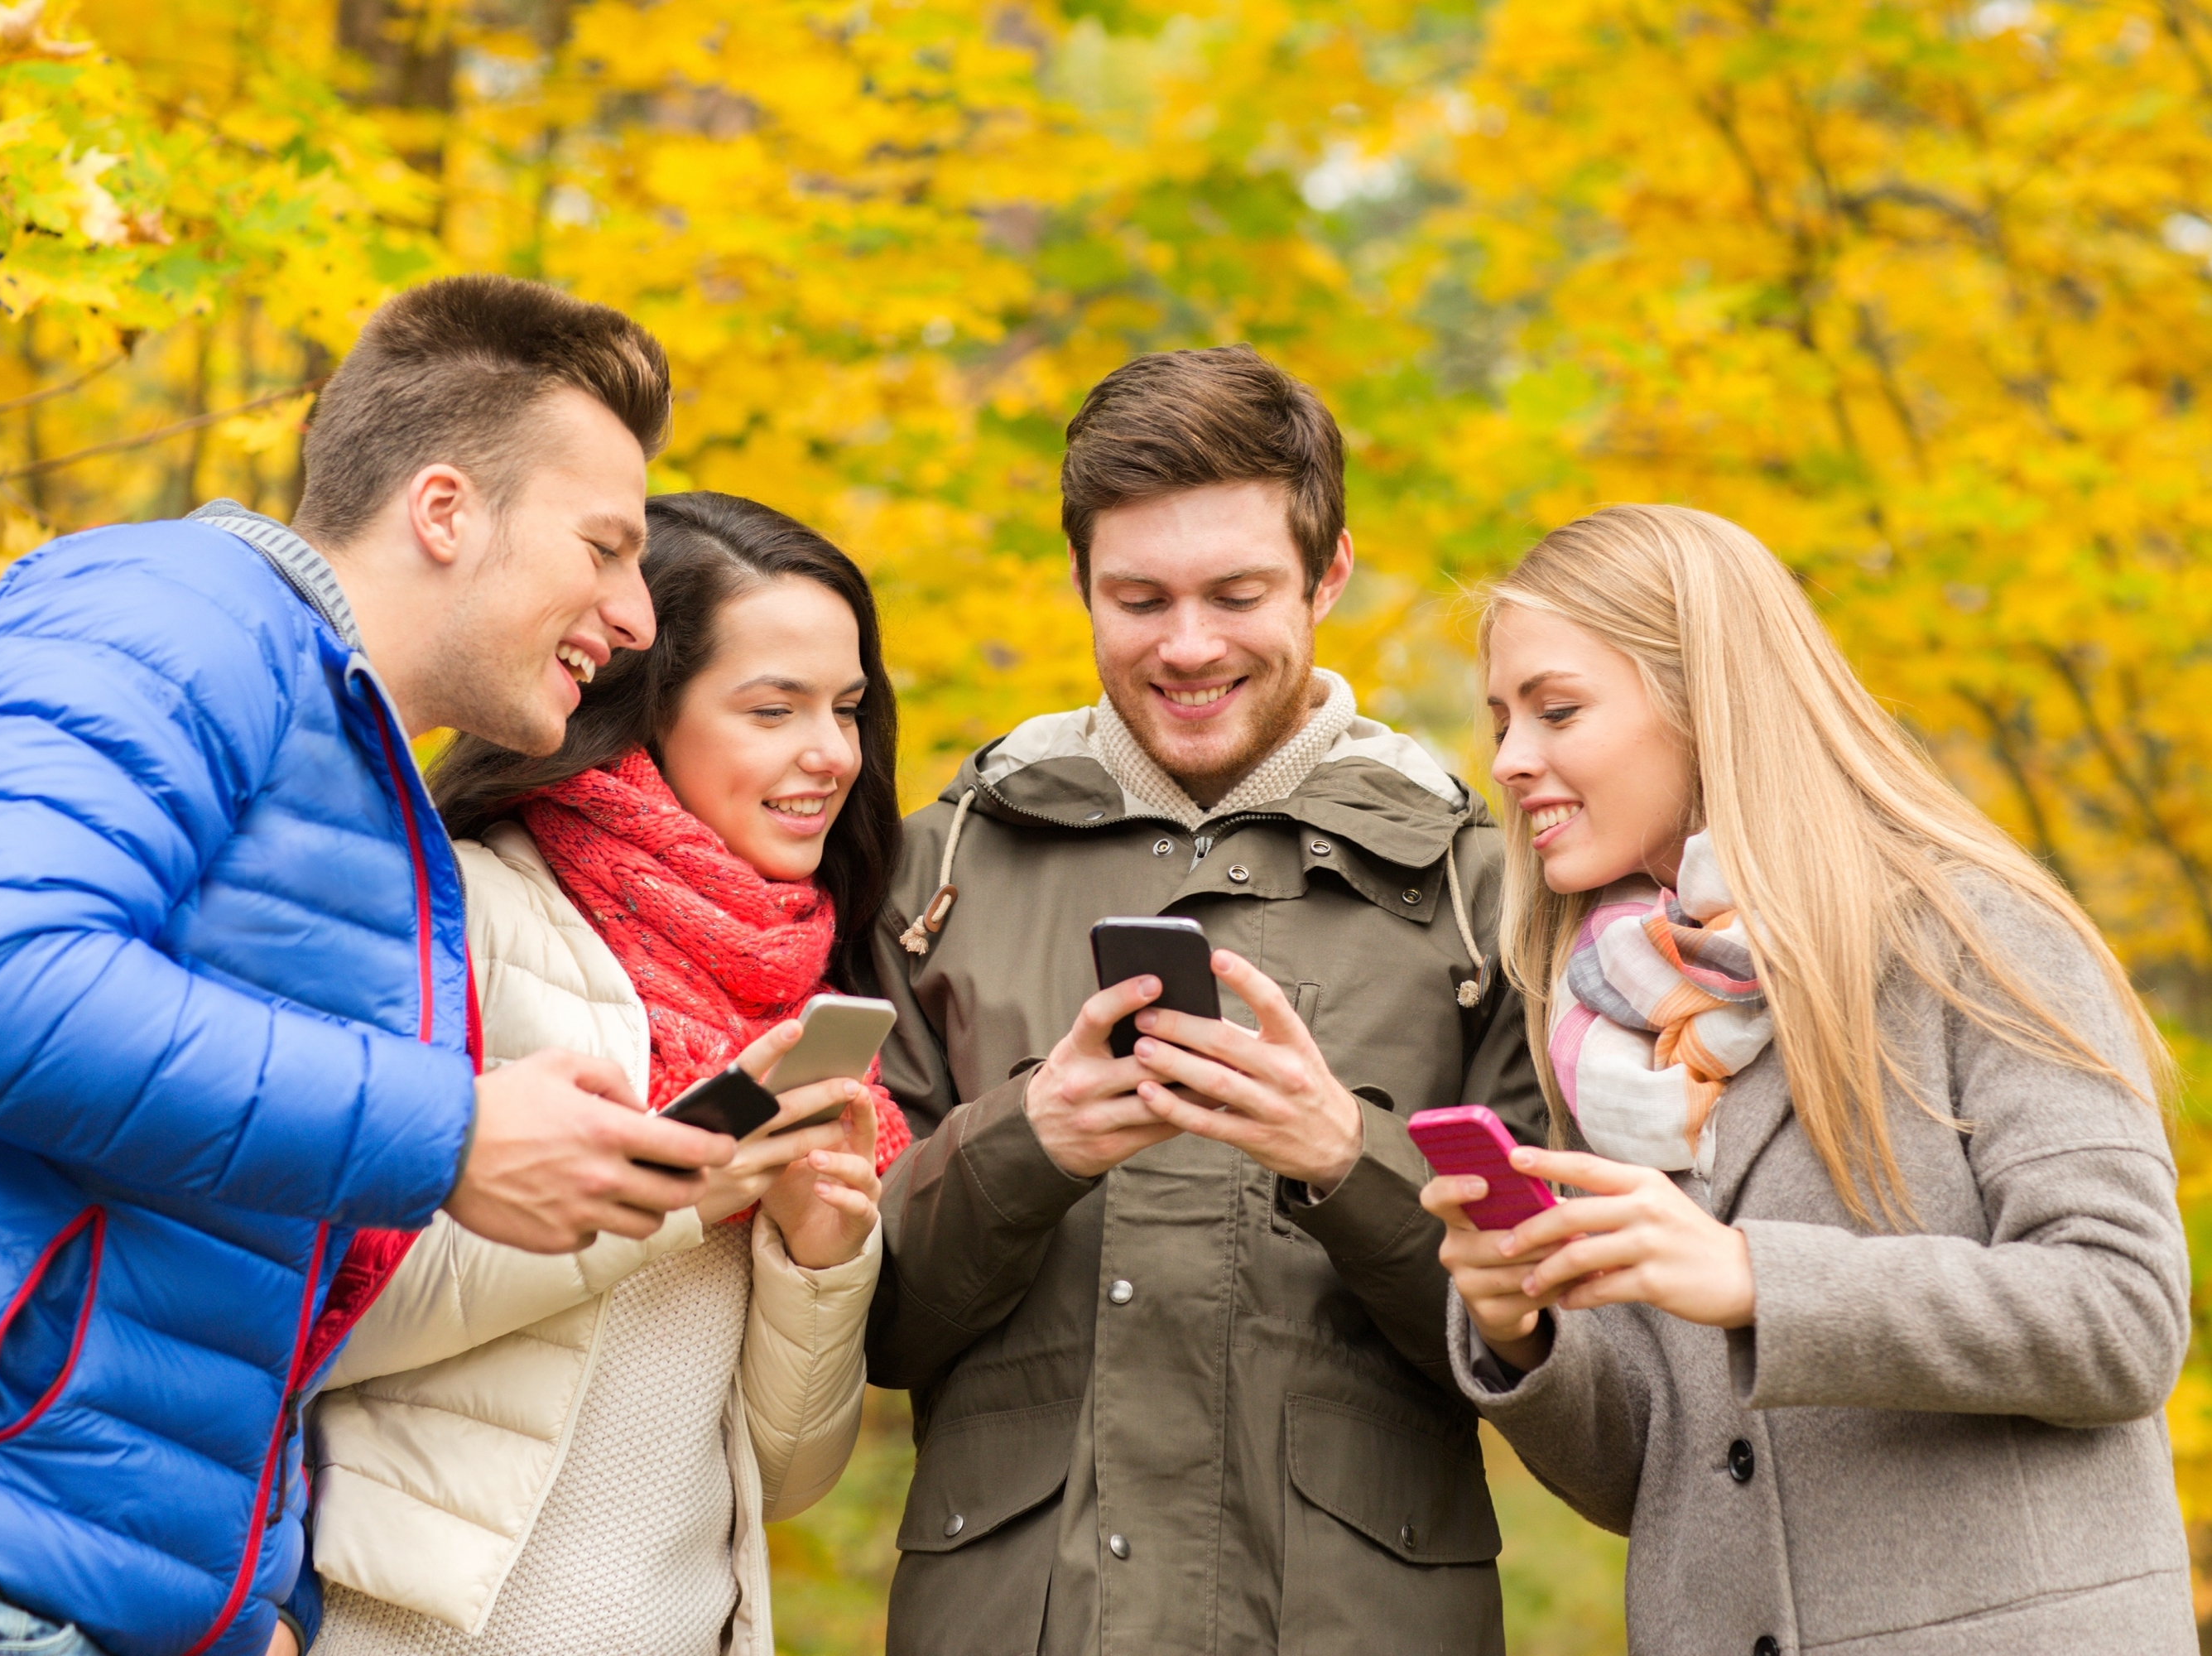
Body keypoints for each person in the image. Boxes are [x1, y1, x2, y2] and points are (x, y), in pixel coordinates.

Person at [0, 276, 751, 1656]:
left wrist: (255, 1596)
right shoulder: (162, 606)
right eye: (606, 547)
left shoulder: (365, 784)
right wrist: (448, 1129)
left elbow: (201, 1246)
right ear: (444, 511)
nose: (635, 614)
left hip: (71, 1593)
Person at [852, 344, 1545, 1656]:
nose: (1186, 647)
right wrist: (1029, 1143)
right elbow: (862, 1323)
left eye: (1237, 594)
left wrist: (1346, 1158)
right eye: (1139, 598)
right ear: (1080, 586)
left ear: (1330, 572)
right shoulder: (936, 868)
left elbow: (1541, 1341)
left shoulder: (1484, 889)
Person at [1423, 503, 2193, 1654]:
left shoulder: (1972, 935)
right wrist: (1522, 1329)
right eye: (1500, 722)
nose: (1509, 760)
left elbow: (2122, 1316)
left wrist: (1752, 1276)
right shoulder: (1608, 1025)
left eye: (1557, 710)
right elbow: (1652, 1473)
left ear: (1705, 698)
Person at [308, 492, 911, 1656]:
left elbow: (780, 1481)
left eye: (846, 708)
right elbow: (329, 1316)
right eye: (772, 708)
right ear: (646, 714)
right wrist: (672, 1192)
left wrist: (817, 1259)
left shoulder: (799, 992)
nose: (830, 753)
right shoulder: (459, 915)